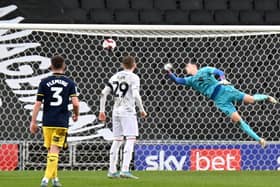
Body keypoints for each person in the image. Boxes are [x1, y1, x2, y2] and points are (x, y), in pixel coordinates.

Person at [164, 62, 278, 148]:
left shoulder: (205, 70)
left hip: (224, 89)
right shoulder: (190, 80)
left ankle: (266, 97)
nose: (186, 68)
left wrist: (223, 79)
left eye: (188, 66)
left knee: (251, 100)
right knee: (237, 120)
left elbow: (219, 72)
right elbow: (177, 80)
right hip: (219, 101)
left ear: (194, 66)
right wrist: (169, 72)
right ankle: (259, 139)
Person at [30, 55, 79, 187]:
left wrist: (33, 121)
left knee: (51, 151)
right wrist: (76, 114)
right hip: (61, 122)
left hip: (47, 121)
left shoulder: (44, 82)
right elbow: (75, 103)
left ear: (51, 66)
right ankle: (45, 179)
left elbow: (37, 104)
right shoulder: (70, 83)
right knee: (55, 151)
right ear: (64, 66)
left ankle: (55, 179)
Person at [99, 56, 147, 179]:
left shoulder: (114, 76)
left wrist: (102, 111)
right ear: (134, 65)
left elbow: (103, 93)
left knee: (117, 140)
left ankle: (112, 170)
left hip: (116, 111)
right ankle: (125, 170)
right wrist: (141, 110)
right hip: (128, 111)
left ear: (122, 65)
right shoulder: (134, 77)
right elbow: (136, 95)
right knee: (130, 139)